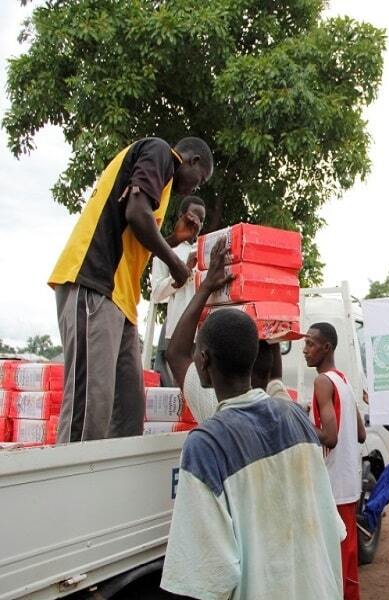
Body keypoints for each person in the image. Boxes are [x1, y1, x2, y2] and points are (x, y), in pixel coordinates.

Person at [161, 240, 345, 599]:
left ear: (205, 363)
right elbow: (331, 530)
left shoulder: (208, 443)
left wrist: (207, 286)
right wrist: (268, 302)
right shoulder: (297, 420)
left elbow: (205, 580)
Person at [49, 137, 214, 442]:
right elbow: (136, 215)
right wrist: (176, 265)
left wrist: (174, 240)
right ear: (192, 160)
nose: (195, 187)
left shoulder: (161, 187)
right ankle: (73, 471)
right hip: (94, 283)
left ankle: (111, 473)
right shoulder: (160, 152)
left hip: (122, 302)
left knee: (128, 411)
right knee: (90, 408)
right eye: (199, 179)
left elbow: (135, 233)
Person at [165, 240, 292, 423]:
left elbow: (176, 354)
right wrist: (264, 285)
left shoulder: (215, 411)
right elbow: (275, 376)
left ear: (205, 362)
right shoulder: (288, 411)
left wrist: (207, 285)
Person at [304, 323, 366, 600]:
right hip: (348, 485)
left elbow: (330, 438)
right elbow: (361, 434)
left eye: (310, 344)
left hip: (332, 489)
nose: (305, 350)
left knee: (333, 566)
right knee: (347, 564)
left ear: (326, 347)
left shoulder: (322, 382)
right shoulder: (344, 380)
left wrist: (299, 420)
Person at [151, 195, 206, 386]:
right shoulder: (166, 250)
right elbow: (157, 294)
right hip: (178, 332)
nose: (197, 223)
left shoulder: (205, 249)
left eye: (202, 219)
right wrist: (184, 271)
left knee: (202, 389)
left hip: (204, 333)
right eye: (193, 216)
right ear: (181, 216)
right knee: (179, 390)